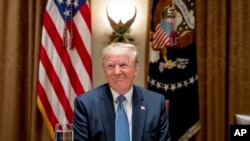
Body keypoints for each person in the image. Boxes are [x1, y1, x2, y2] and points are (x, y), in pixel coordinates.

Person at [72, 42, 171, 141]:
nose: (117, 72)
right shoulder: (85, 104)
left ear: (136, 69)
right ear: (104, 71)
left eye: (123, 65)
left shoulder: (155, 103)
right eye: (111, 66)